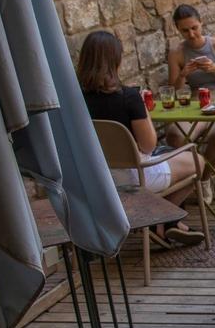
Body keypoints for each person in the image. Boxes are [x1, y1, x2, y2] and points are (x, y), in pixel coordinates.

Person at [78, 30, 204, 246]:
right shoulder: (128, 97)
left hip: (95, 179)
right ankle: (161, 220)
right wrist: (143, 110)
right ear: (115, 59)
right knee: (197, 161)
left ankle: (163, 222)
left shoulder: (75, 100)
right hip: (134, 177)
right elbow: (148, 146)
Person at [165, 4, 215, 198]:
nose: (191, 34)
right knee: (175, 135)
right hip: (197, 101)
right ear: (178, 29)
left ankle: (203, 178)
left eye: (194, 28)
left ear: (201, 23)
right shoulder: (177, 53)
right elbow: (173, 90)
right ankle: (212, 166)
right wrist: (183, 75)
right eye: (185, 30)